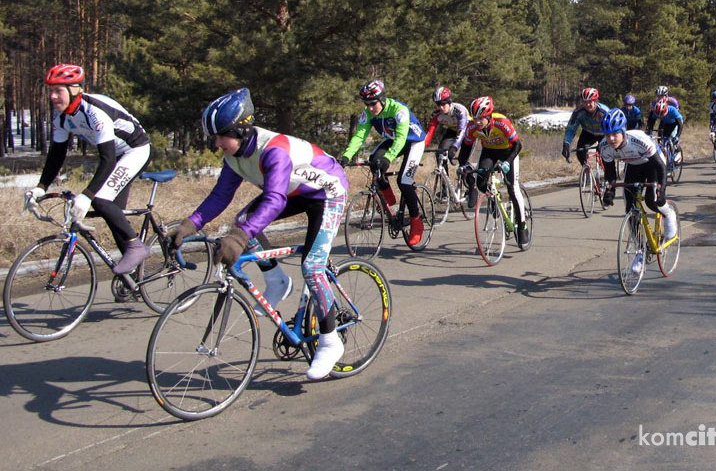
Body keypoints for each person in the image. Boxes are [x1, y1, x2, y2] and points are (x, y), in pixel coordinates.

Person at [168, 88, 349, 381]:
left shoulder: (273, 150)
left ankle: (330, 341)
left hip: (327, 193)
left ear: (240, 130)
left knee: (312, 266)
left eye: (219, 136)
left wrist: (239, 238)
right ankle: (277, 280)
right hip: (295, 191)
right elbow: (220, 196)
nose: (216, 144)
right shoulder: (235, 153)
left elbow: (274, 199)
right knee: (243, 219)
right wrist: (189, 226)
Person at [25, 64, 152, 281]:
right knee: (111, 211)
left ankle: (136, 247)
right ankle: (133, 277)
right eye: (50, 91)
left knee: (100, 200)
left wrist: (86, 195)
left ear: (75, 89)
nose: (53, 97)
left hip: (135, 150)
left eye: (58, 91)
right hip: (117, 154)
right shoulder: (62, 118)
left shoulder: (94, 111)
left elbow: (108, 159)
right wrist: (40, 187)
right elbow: (56, 156)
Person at [339, 80, 426, 245]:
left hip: (413, 142)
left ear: (382, 99)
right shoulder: (368, 114)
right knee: (374, 161)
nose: (370, 108)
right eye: (367, 104)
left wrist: (389, 158)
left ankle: (416, 221)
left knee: (404, 181)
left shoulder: (399, 110)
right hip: (394, 140)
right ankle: (389, 200)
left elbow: (401, 139)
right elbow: (359, 136)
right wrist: (346, 156)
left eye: (373, 104)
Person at [597, 108, 678, 273]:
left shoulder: (639, 140)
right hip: (633, 166)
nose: (611, 139)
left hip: (654, 164)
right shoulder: (604, 147)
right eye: (607, 135)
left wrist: (660, 190)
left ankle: (669, 213)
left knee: (652, 200)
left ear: (622, 131)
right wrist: (609, 191)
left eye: (615, 134)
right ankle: (640, 252)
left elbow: (660, 166)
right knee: (630, 208)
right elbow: (610, 173)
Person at [457, 96, 529, 246]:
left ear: (489, 116)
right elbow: (466, 147)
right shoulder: (472, 127)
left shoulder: (502, 122)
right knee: (481, 183)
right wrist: (462, 165)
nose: (477, 122)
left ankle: (522, 226)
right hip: (489, 152)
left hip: (509, 152)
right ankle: (493, 199)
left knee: (512, 188)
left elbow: (517, 145)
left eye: (480, 119)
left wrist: (507, 162)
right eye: (475, 118)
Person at [423, 86, 470, 172]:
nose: (441, 107)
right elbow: (430, 133)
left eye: (443, 104)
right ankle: (445, 183)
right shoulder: (436, 115)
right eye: (438, 104)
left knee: (463, 160)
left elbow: (462, 130)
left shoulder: (459, 110)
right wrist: (422, 146)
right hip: (452, 132)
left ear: (449, 102)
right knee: (440, 153)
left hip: (467, 132)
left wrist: (455, 147)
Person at [562, 87, 609, 165]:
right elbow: (571, 128)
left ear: (595, 101)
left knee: (606, 156)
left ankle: (609, 174)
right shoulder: (578, 112)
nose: (587, 104)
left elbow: (612, 128)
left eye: (590, 101)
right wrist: (566, 144)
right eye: (585, 102)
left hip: (604, 134)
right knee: (580, 154)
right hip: (588, 133)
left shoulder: (604, 111)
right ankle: (586, 172)